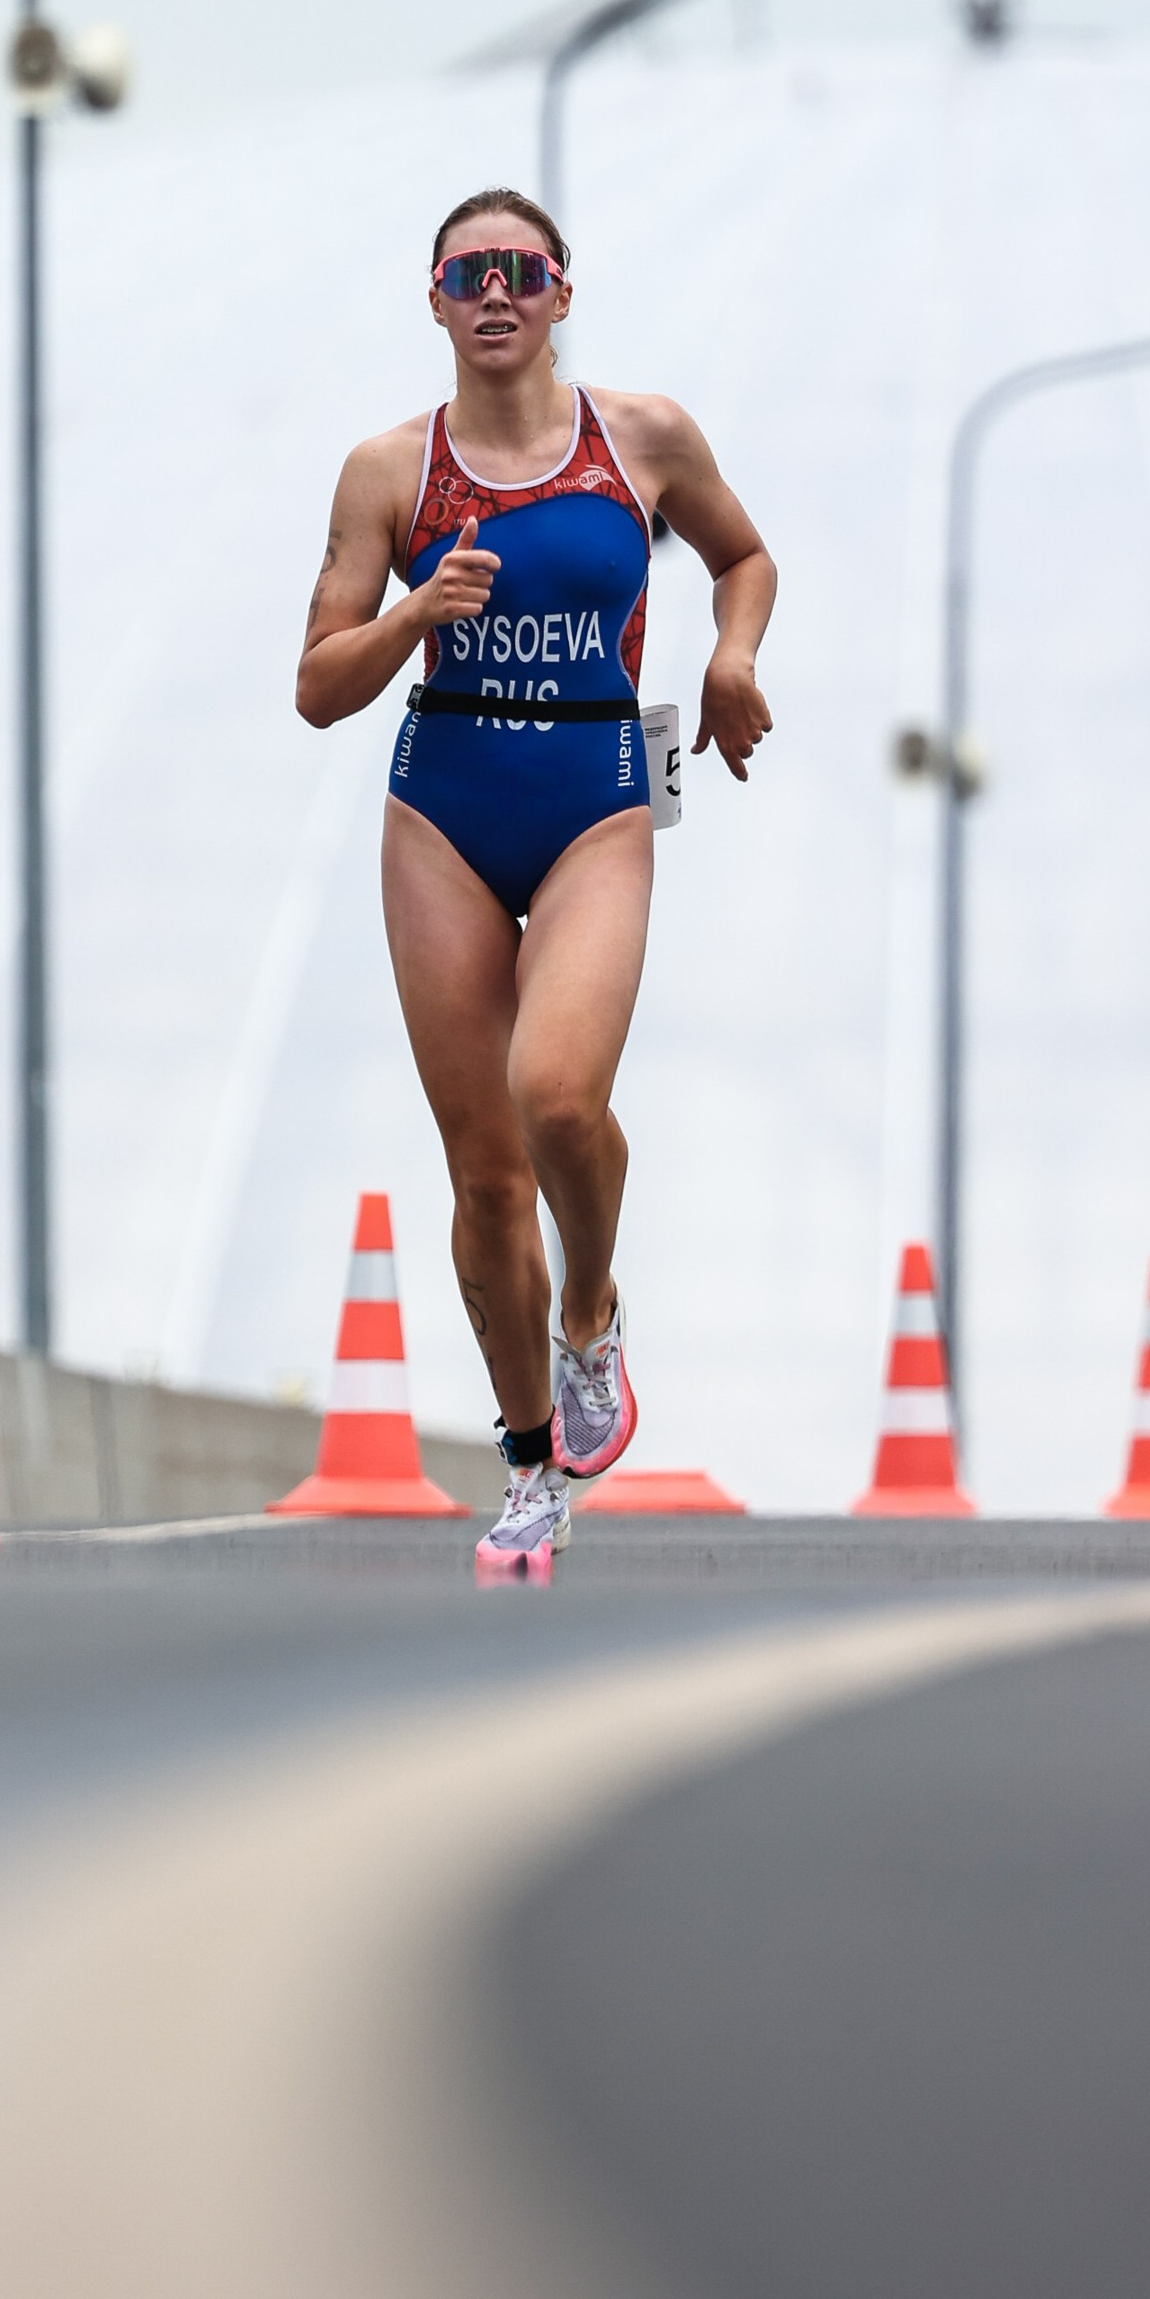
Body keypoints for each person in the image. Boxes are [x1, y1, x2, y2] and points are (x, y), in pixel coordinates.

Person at [296, 186, 775, 1569]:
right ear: (435, 304)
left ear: (563, 293)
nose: (494, 292)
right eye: (467, 275)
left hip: (595, 797)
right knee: (486, 1174)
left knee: (559, 1098)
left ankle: (591, 1320)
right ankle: (527, 1464)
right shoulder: (390, 473)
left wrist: (729, 659)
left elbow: (743, 558)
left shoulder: (643, 439)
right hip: (444, 802)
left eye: (520, 270)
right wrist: (410, 618)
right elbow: (318, 687)